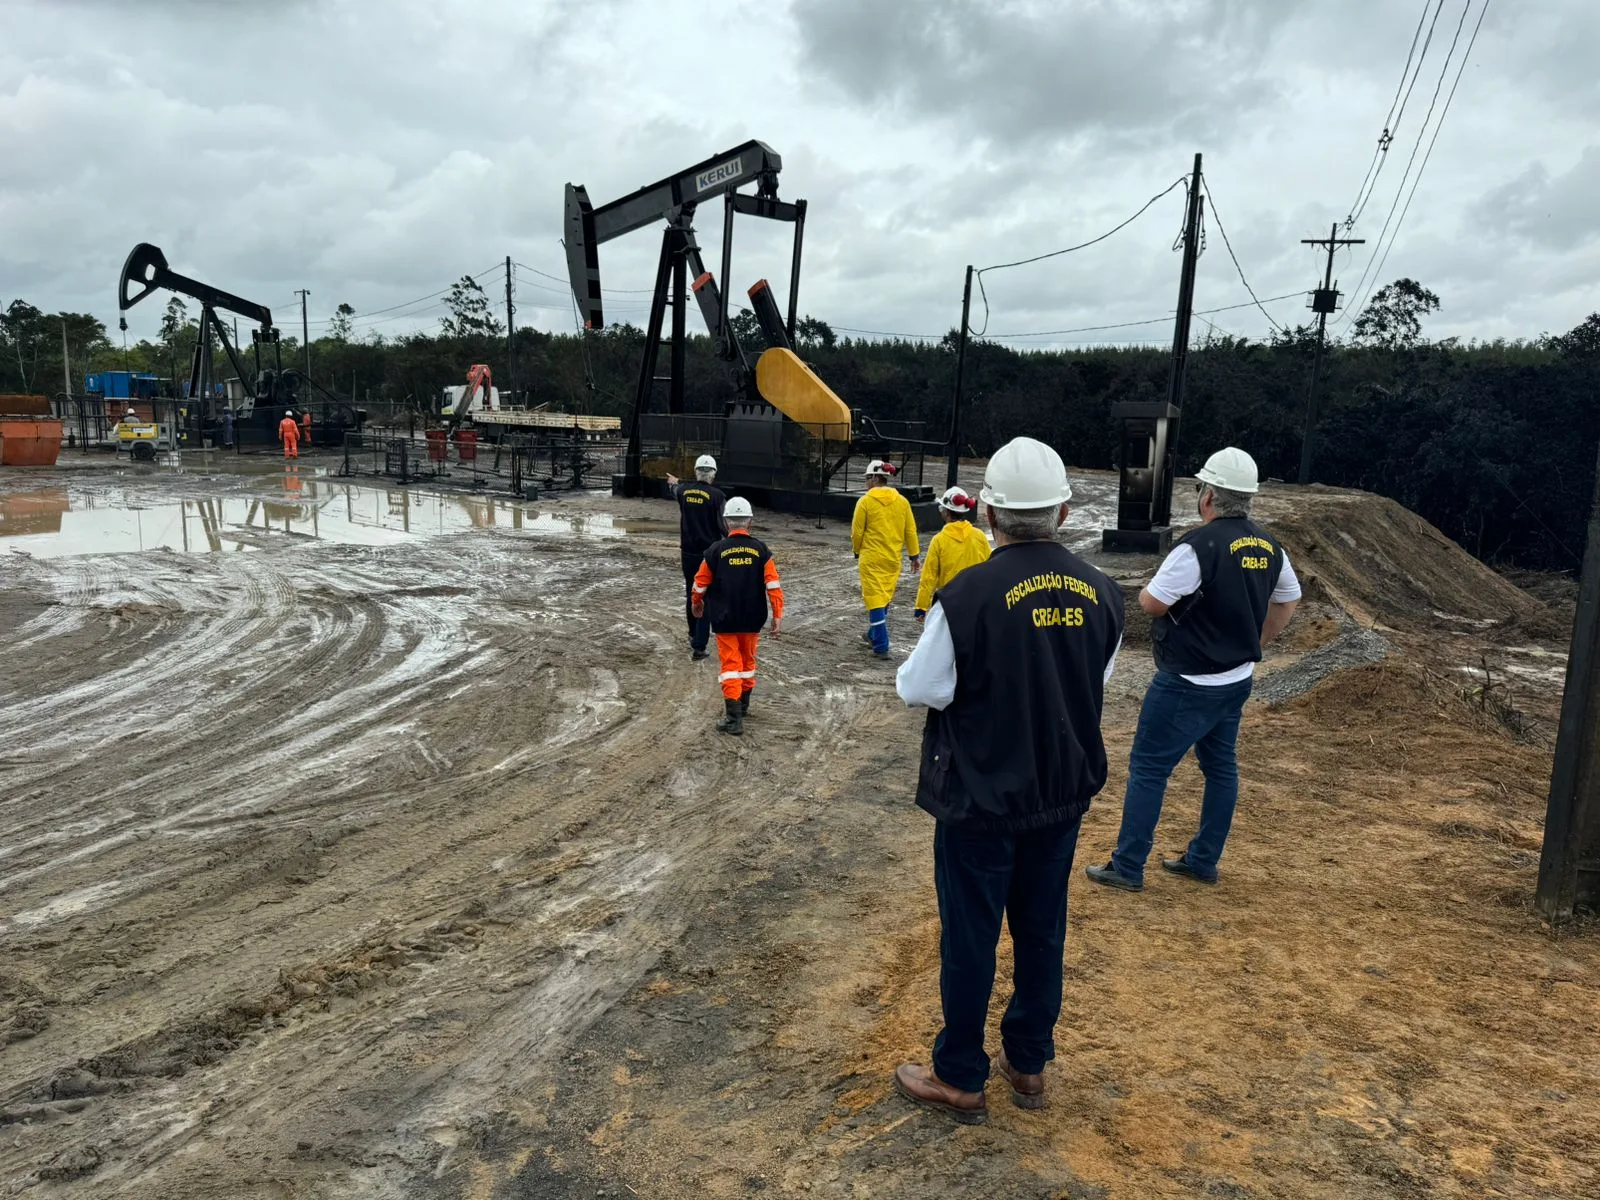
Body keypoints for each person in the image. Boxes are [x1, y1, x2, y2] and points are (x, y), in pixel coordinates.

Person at [893, 437, 1125, 1124]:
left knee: (970, 935)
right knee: (1041, 927)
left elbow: (920, 687)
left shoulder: (966, 596)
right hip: (1059, 795)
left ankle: (960, 1075)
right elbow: (1091, 682)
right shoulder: (1104, 593)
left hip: (980, 799)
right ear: (1062, 509)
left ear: (989, 514)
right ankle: (1028, 1064)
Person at [1086, 447, 1301, 893]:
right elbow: (1288, 598)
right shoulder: (1269, 545)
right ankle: (1203, 860)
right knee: (1221, 767)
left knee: (1149, 767)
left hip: (1186, 680)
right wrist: (1256, 642)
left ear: (1209, 496)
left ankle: (1127, 865)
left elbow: (1151, 603)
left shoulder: (1197, 546)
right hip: (1236, 679)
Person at [691, 497, 784, 736]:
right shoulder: (762, 550)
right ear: (750, 522)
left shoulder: (715, 551)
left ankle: (733, 719)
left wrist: (696, 604)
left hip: (724, 619)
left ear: (726, 523)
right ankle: (743, 705)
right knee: (748, 662)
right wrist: (777, 614)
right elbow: (773, 585)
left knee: (731, 665)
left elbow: (700, 584)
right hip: (753, 618)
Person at [852, 459, 920, 659]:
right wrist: (914, 556)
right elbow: (910, 531)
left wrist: (857, 550)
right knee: (884, 597)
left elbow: (857, 532)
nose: (866, 482)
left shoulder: (865, 502)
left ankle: (881, 645)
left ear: (874, 478)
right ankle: (873, 634)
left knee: (874, 600)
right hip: (892, 558)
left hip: (871, 558)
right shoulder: (902, 502)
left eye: (867, 478)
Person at [665, 455, 727, 661]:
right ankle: (699, 644)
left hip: (688, 552)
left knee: (691, 591)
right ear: (714, 474)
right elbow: (725, 526)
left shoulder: (684, 492)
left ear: (696, 471)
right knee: (708, 596)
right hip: (709, 555)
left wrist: (673, 483)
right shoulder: (718, 496)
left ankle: (693, 632)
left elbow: (675, 490)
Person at [913, 486, 991, 622]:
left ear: (946, 512)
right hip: (976, 603)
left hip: (948, 604)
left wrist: (921, 606)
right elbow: (991, 569)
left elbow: (928, 577)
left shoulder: (939, 540)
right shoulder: (979, 537)